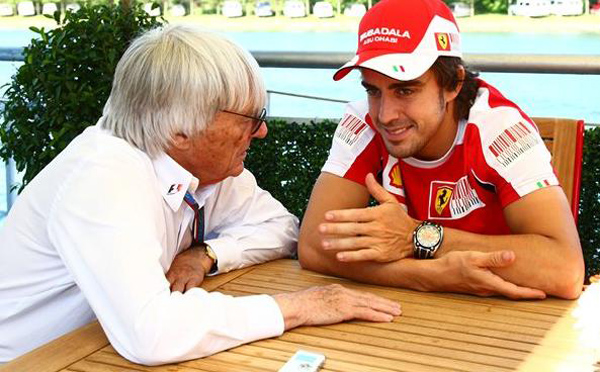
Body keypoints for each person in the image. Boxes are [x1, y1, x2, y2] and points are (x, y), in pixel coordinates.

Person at [0, 25, 401, 365]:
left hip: (96, 349)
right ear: (179, 130)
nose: (262, 132)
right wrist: (301, 306)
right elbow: (151, 333)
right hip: (35, 361)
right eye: (251, 118)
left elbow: (281, 228)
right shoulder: (102, 175)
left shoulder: (202, 167)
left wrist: (207, 255)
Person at [299, 0, 584, 300]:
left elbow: (565, 270)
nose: (384, 115)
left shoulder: (498, 128)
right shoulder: (363, 120)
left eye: (405, 89)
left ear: (453, 84)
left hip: (508, 322)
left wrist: (415, 236)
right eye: (372, 90)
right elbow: (313, 245)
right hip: (415, 313)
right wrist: (428, 276)